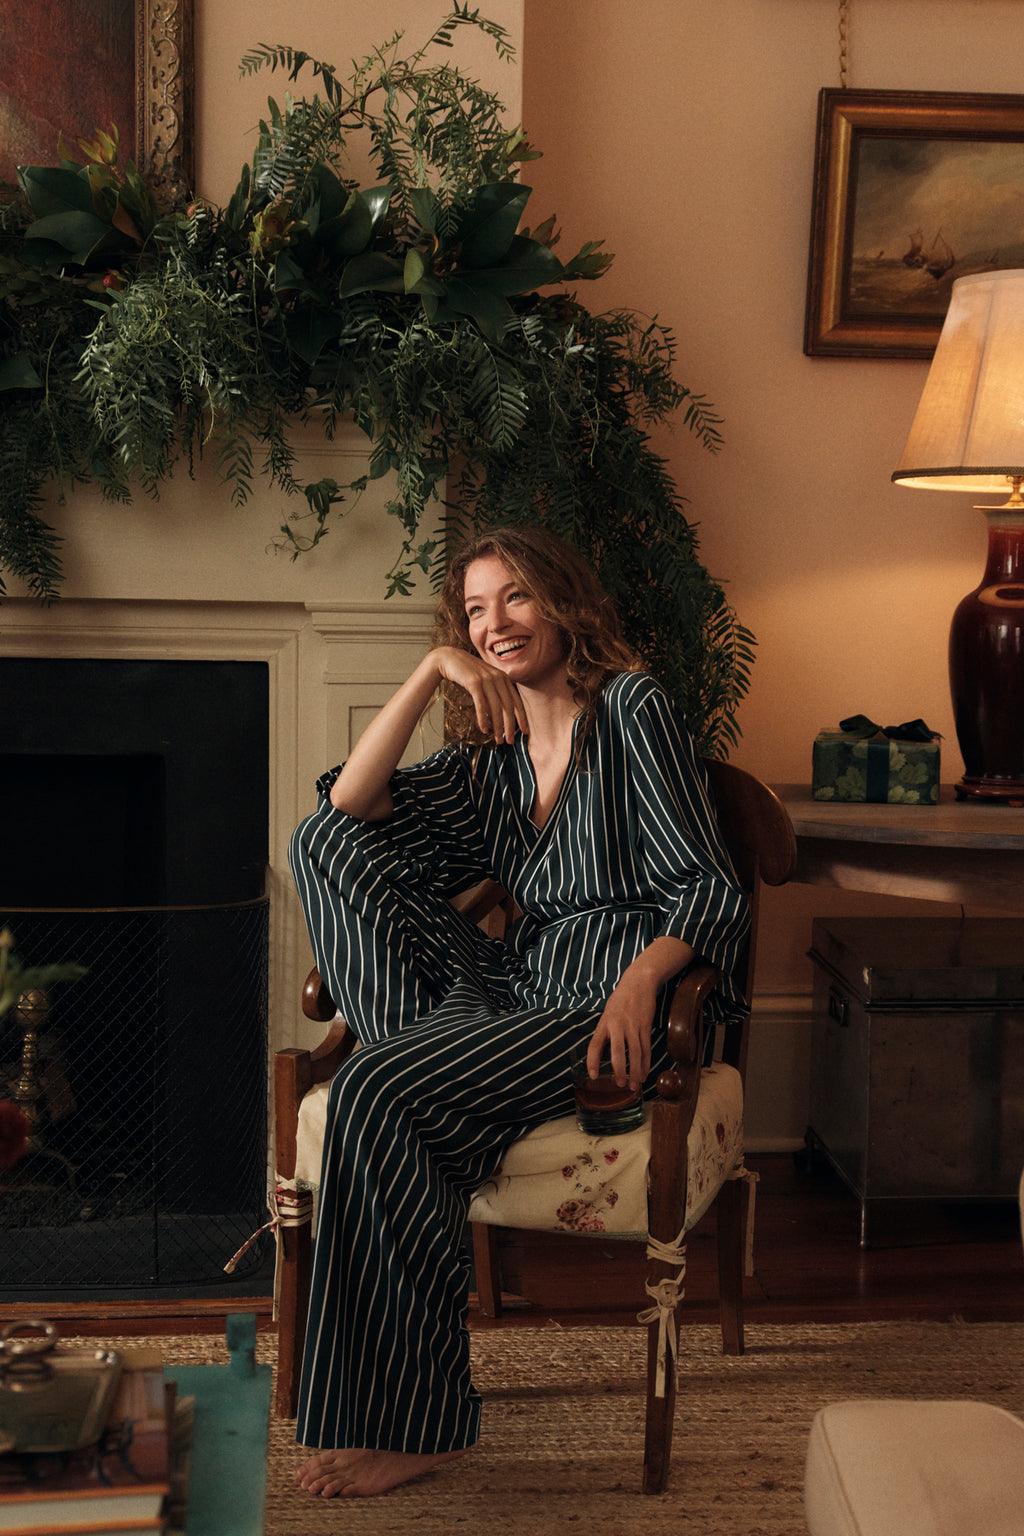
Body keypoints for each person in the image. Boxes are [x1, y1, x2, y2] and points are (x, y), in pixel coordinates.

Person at [288, 526, 749, 1498]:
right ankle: (427, 1081)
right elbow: (347, 812)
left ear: (563, 600)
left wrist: (639, 983)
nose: (494, 624)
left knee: (372, 1091)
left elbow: (710, 887)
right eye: (473, 611)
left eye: (515, 598)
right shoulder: (489, 756)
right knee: (320, 843)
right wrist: (432, 671)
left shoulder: (631, 709)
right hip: (505, 990)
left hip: (599, 1006)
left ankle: (420, 1430)